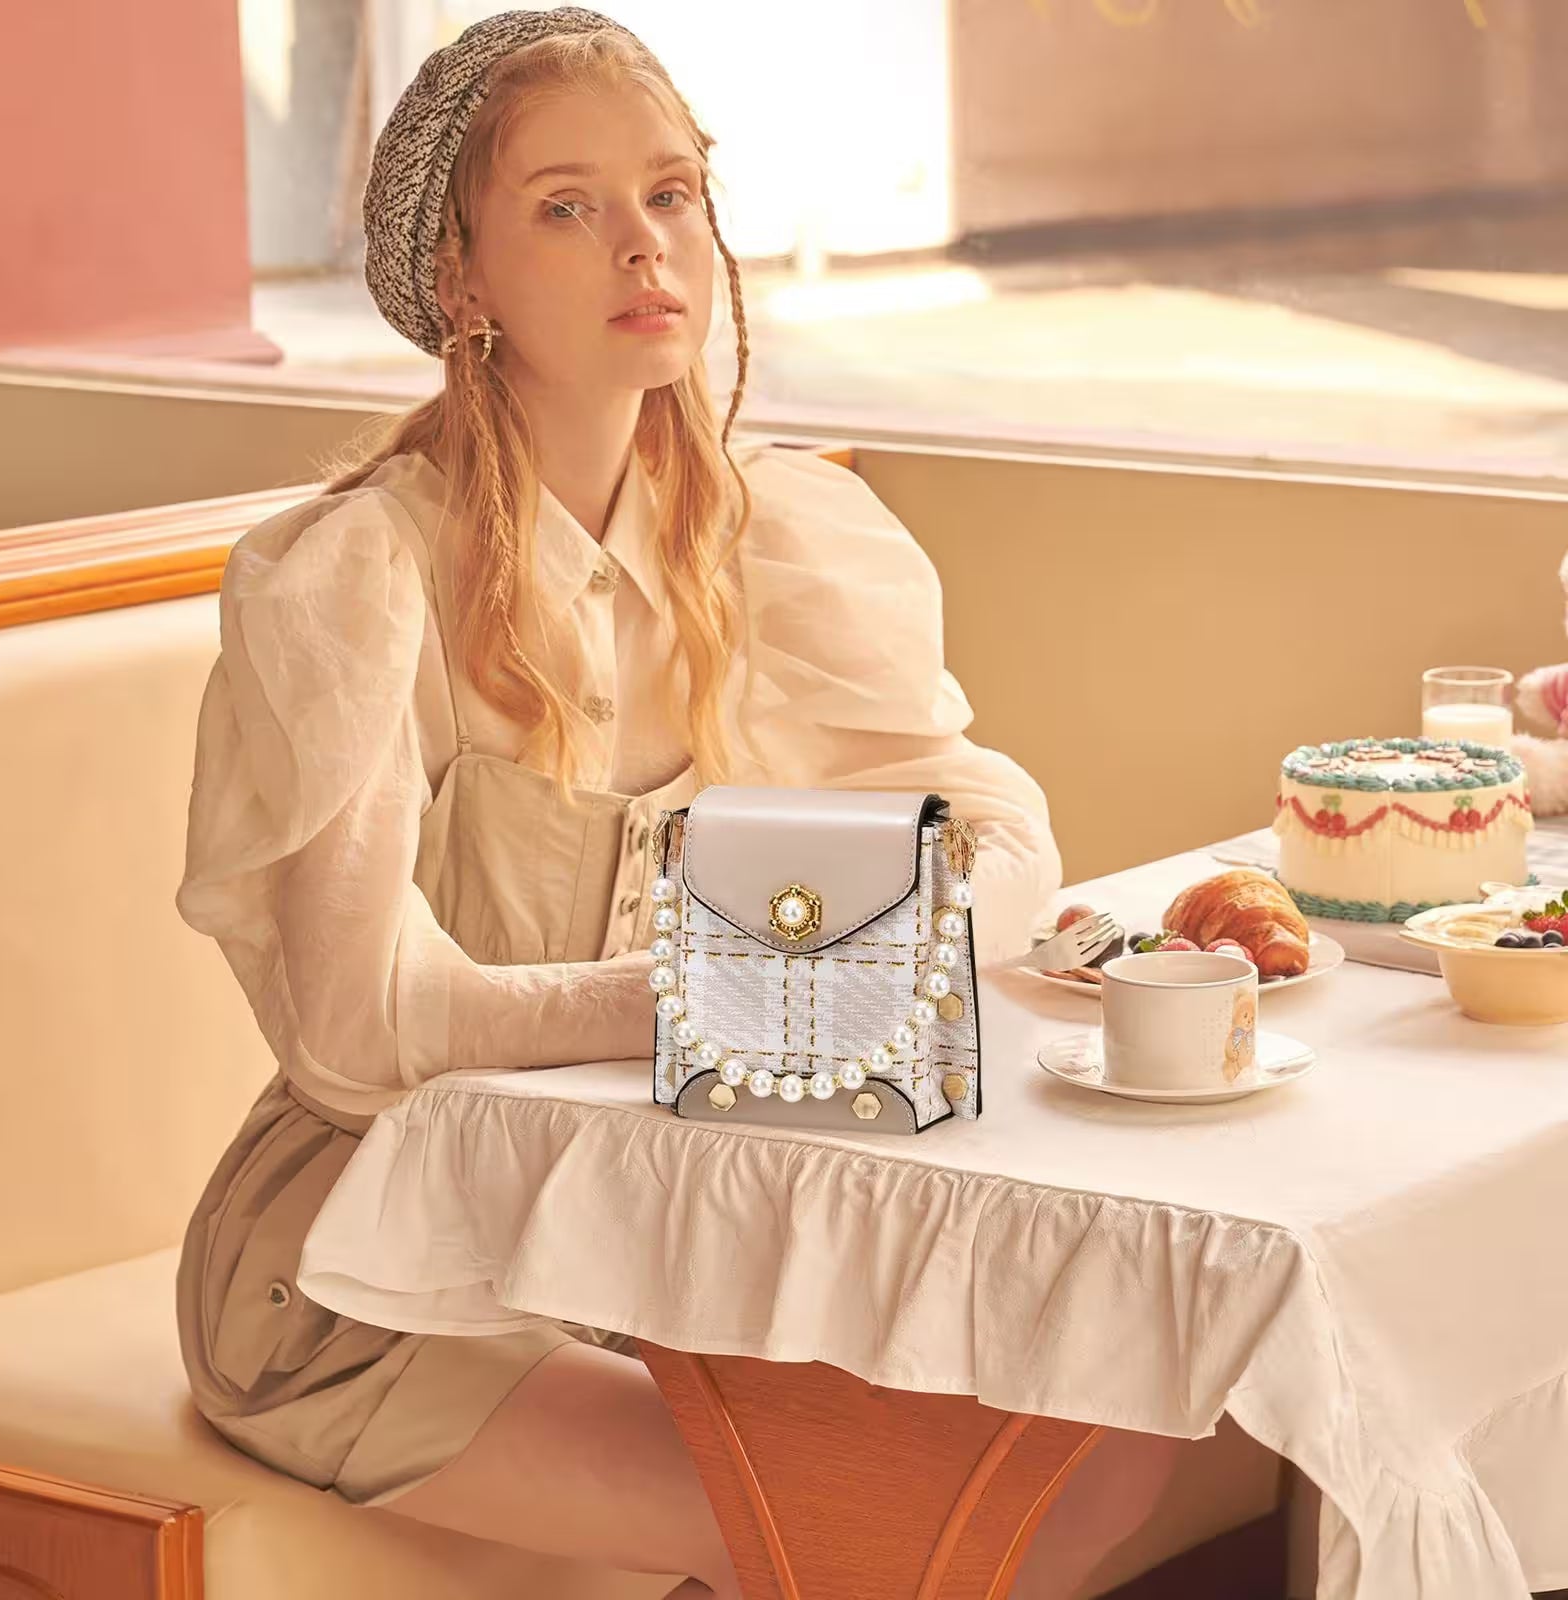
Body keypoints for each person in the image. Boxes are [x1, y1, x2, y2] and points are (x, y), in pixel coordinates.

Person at [174, 10, 1182, 1597]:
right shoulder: (358, 578)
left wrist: (854, 971)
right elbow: (358, 1025)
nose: (645, 245)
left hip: (650, 1234)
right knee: (918, 1531)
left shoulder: (769, 535)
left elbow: (999, 827)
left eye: (672, 193)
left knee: (1122, 1430)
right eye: (567, 207)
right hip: (368, 1274)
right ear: (459, 280)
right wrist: (727, 998)